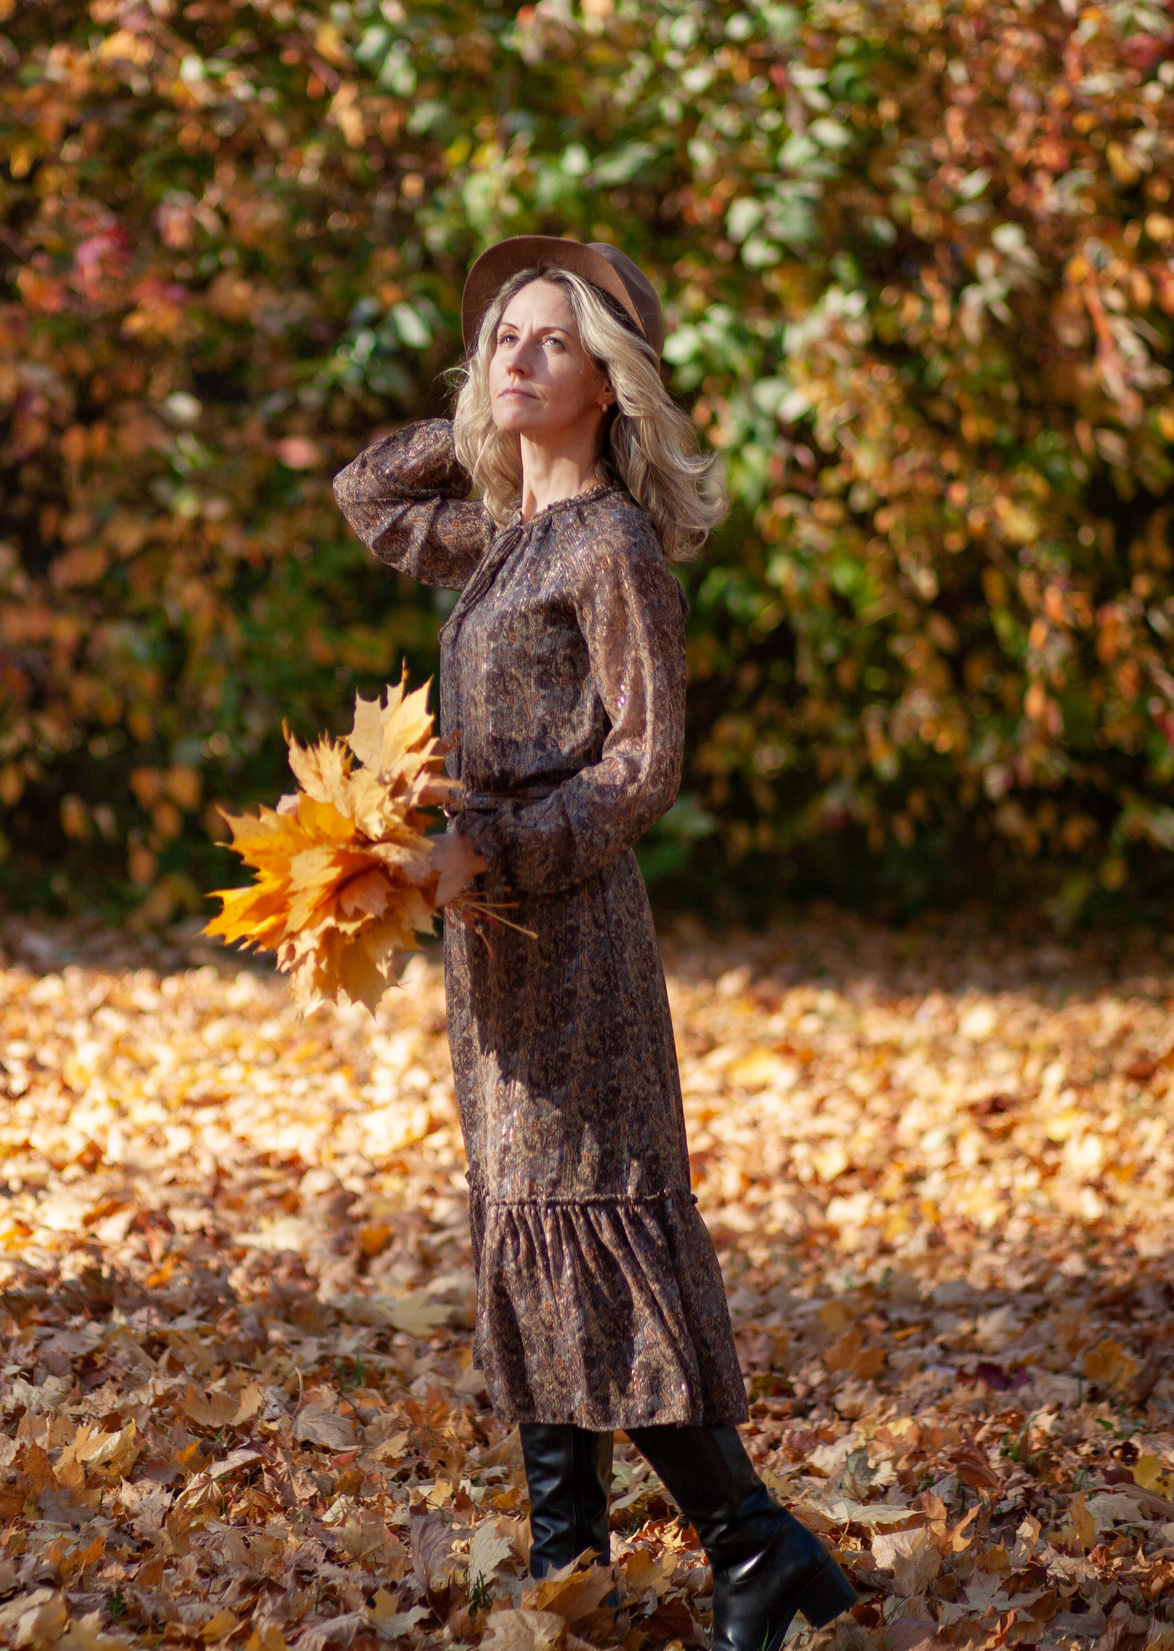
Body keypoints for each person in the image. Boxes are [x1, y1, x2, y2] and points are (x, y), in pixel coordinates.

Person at [332, 238, 857, 1651]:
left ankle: (755, 1545)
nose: (516, 357)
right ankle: (570, 1570)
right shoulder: (505, 535)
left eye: (550, 342)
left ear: (609, 385)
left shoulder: (612, 548)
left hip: (572, 937)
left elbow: (642, 768)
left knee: (590, 1231)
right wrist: (481, 416)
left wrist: (493, 850)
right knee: (528, 1226)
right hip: (492, 945)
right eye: (501, 337)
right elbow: (368, 493)